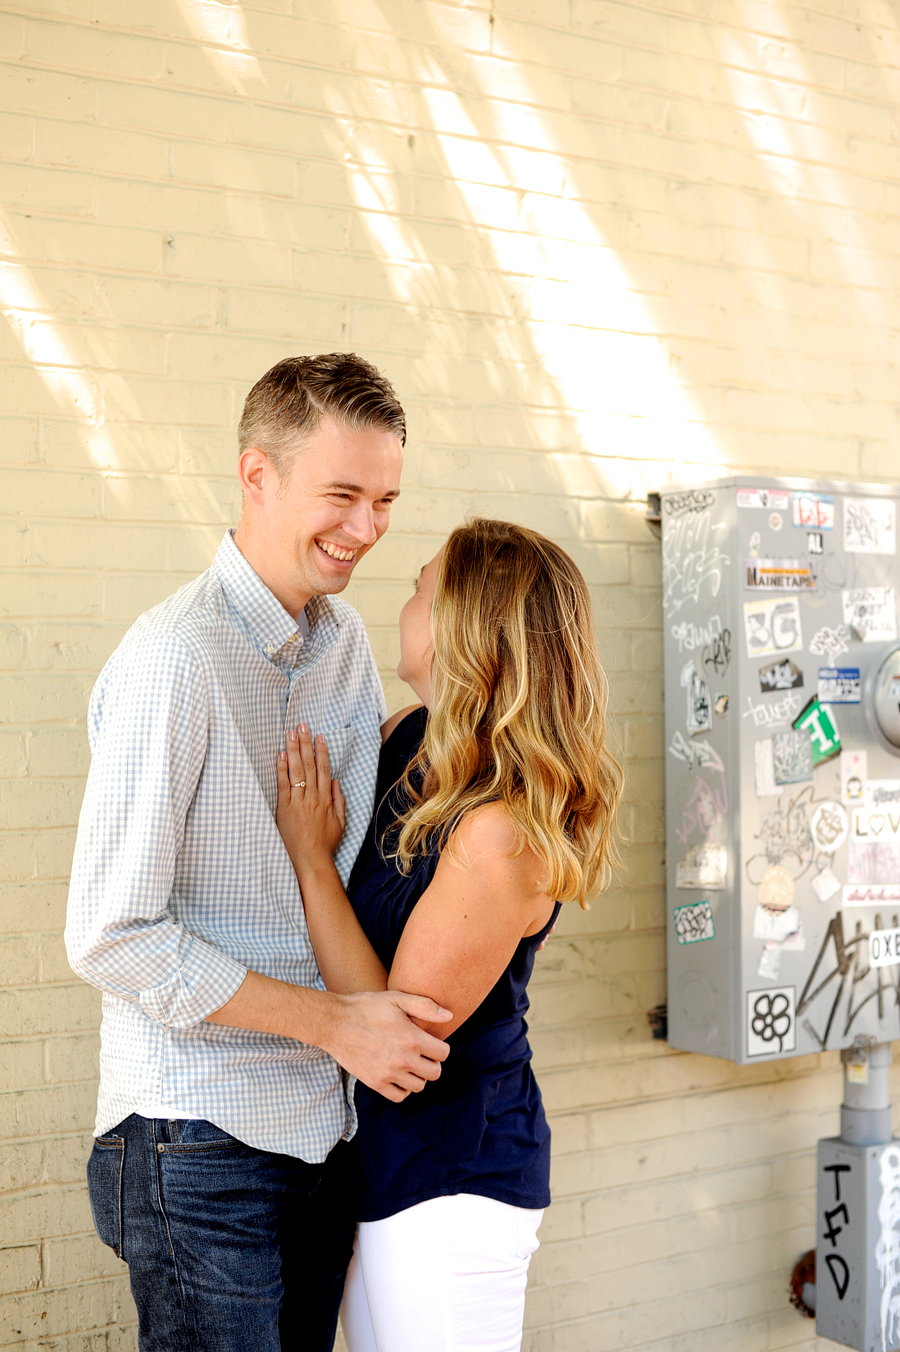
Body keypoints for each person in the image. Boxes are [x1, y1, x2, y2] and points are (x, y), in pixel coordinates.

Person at [64, 353, 454, 1352]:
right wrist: (335, 1024)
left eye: (384, 499)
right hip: (196, 1138)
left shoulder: (345, 648)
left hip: (323, 1134)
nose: (366, 528)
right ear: (256, 475)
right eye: (342, 495)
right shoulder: (174, 659)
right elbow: (111, 936)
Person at [275, 518, 623, 1352]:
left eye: (422, 588)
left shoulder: (504, 830)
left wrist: (312, 860)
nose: (405, 597)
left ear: (468, 630)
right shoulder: (407, 739)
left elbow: (391, 1039)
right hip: (376, 1165)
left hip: (454, 1178)